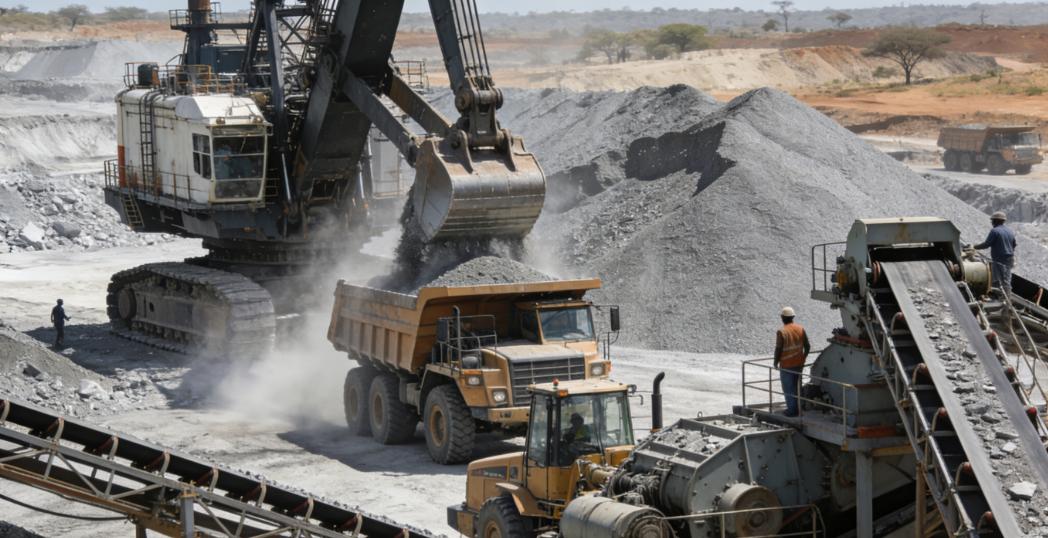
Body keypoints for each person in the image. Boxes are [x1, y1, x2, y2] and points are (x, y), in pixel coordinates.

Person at [774, 306, 810, 418]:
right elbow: (807, 346)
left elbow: (778, 348)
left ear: (782, 318)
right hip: (799, 364)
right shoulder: (800, 329)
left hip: (786, 365)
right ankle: (798, 409)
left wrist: (775, 362)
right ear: (793, 317)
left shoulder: (782, 332)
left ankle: (792, 411)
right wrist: (803, 358)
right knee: (797, 387)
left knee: (788, 388)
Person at [970, 211, 1017, 298]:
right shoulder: (1010, 231)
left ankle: (1002, 299)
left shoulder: (995, 231)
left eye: (992, 220)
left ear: (996, 221)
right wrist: (1009, 251)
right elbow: (1014, 244)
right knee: (1006, 279)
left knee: (998, 280)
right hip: (1010, 258)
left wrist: (974, 247)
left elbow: (986, 244)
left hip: (999, 259)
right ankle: (1004, 297)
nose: (992, 222)